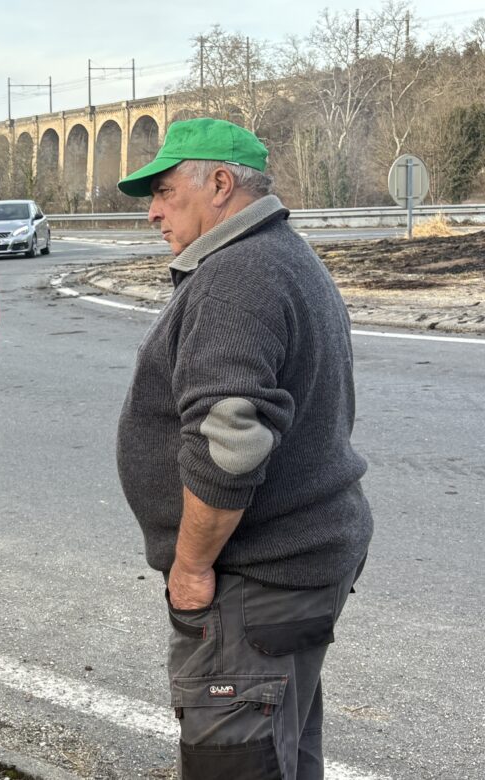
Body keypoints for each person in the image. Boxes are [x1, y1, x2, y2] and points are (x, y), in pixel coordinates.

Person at [113, 118, 373, 780]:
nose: (153, 212)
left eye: (165, 192)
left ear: (221, 184)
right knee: (281, 753)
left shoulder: (238, 275)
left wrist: (192, 566)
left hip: (255, 580)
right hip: (295, 569)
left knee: (236, 763)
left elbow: (228, 443)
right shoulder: (285, 255)